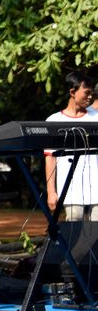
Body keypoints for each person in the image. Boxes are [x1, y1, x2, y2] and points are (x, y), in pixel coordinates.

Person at [45, 71, 97, 221]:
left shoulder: (96, 117)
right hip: (70, 189)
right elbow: (50, 158)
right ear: (72, 92)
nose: (90, 97)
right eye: (86, 93)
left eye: (91, 94)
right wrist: (51, 191)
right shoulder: (54, 121)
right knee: (75, 220)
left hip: (96, 187)